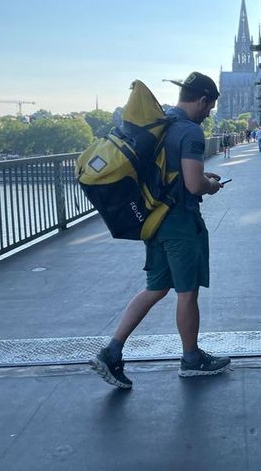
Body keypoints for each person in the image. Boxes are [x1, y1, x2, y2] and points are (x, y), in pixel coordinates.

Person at [91, 72, 231, 388]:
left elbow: (170, 174)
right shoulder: (190, 133)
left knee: (155, 288)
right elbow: (194, 184)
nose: (208, 114)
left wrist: (195, 177)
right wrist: (210, 185)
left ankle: (111, 351)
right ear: (203, 100)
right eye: (209, 107)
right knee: (187, 291)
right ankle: (191, 358)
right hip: (180, 223)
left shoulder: (159, 124)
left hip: (153, 220)